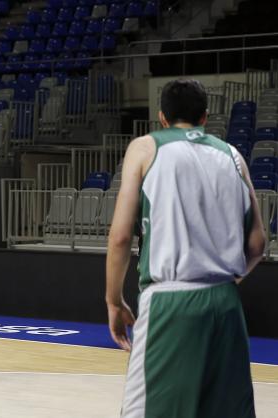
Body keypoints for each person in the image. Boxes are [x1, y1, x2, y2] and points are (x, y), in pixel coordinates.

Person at [106, 79, 265, 418]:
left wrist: (113, 300)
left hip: (169, 300)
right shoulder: (233, 155)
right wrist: (225, 282)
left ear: (162, 118)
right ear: (206, 117)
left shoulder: (145, 147)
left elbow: (120, 236)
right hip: (225, 302)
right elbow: (257, 244)